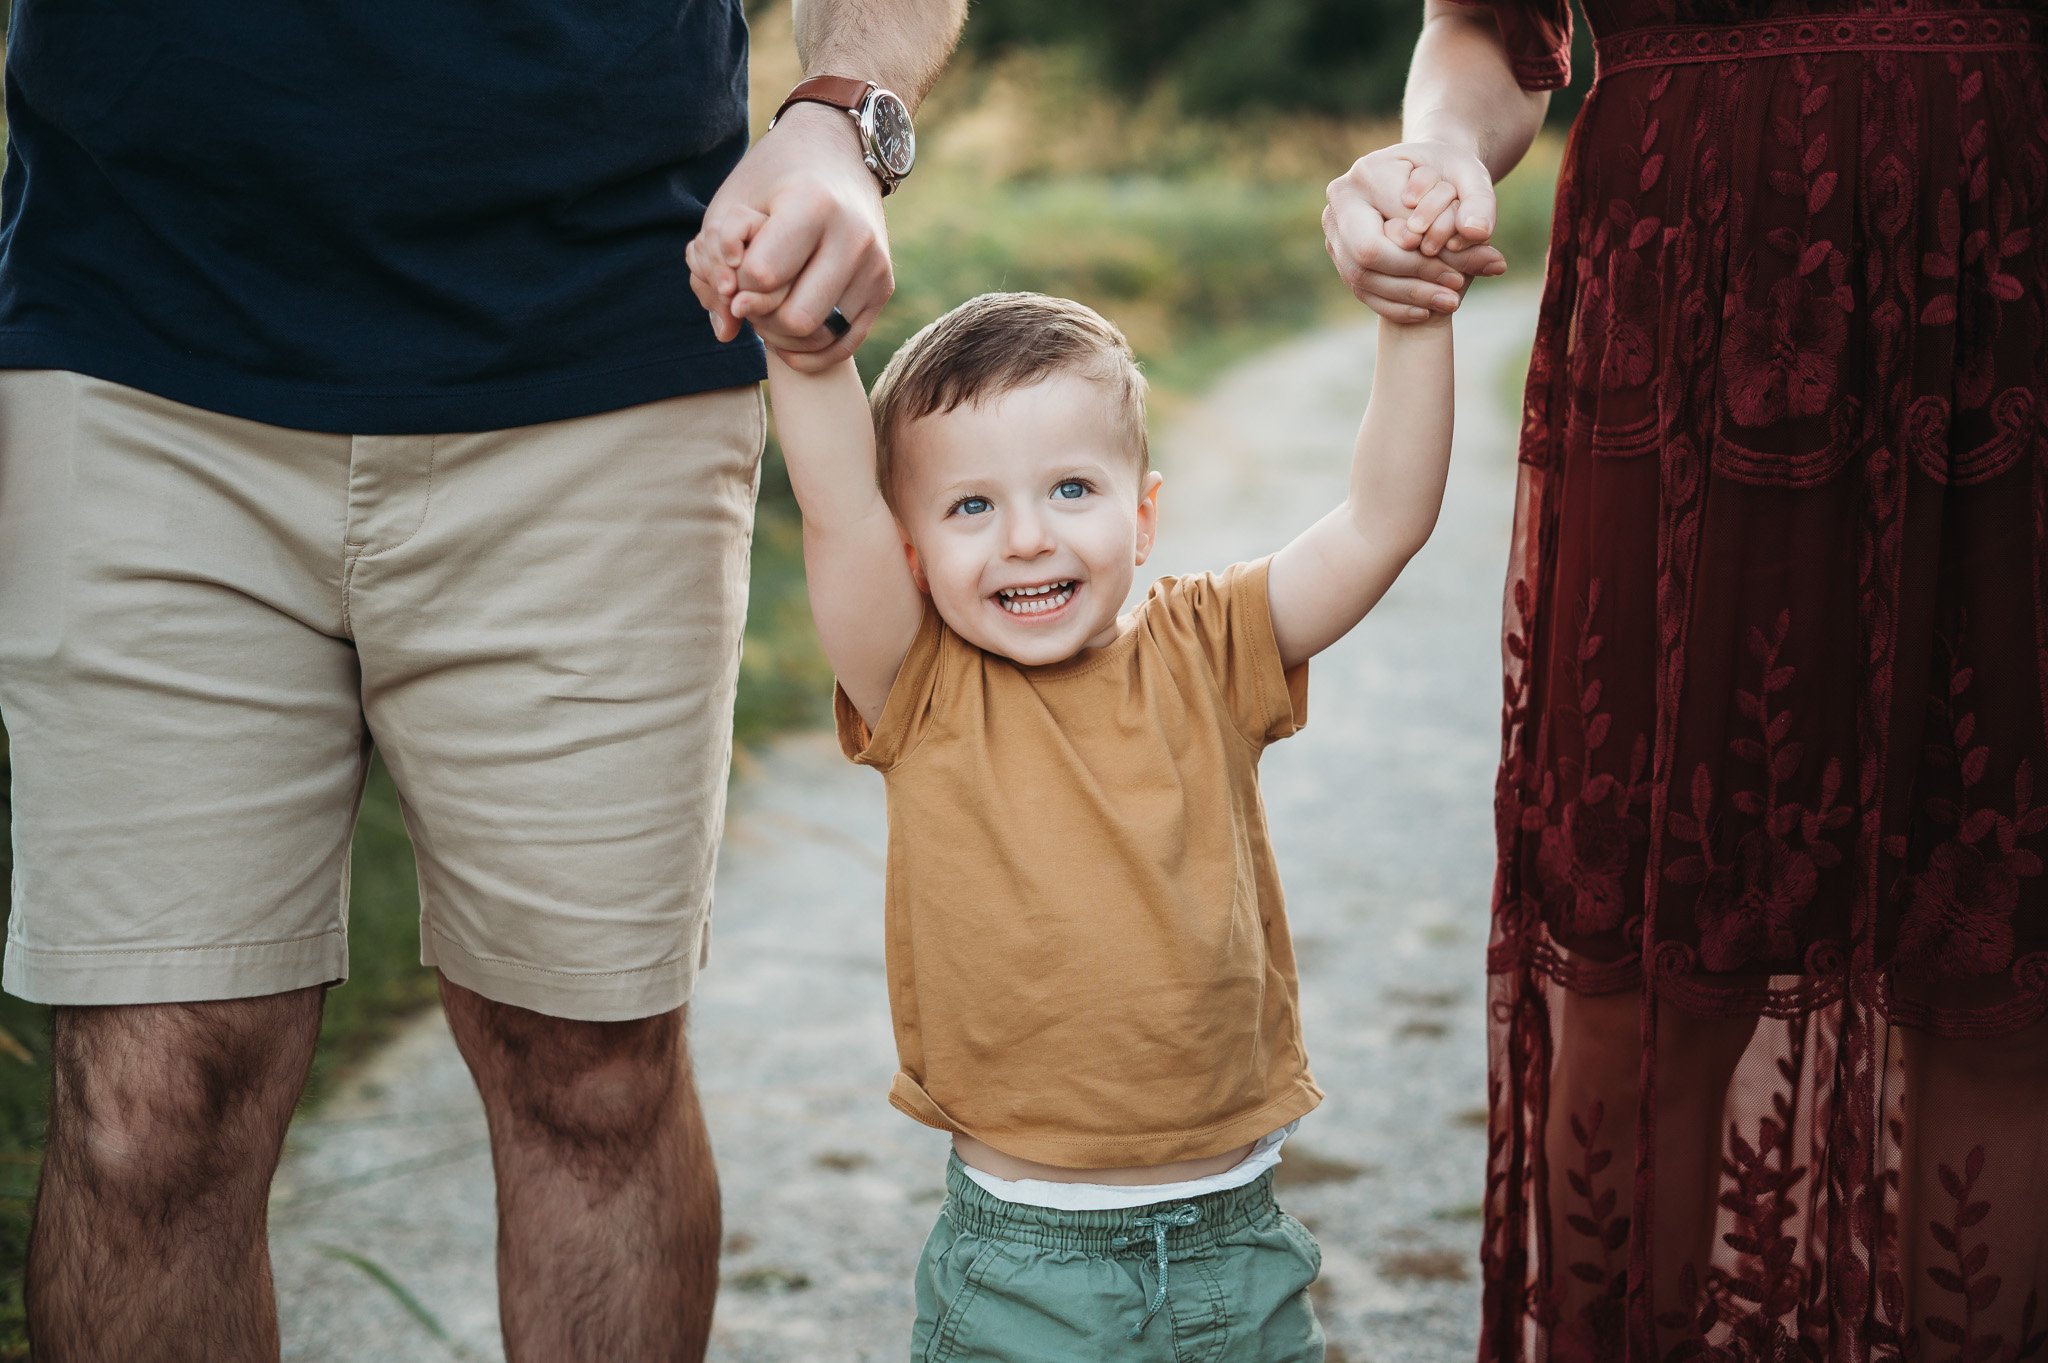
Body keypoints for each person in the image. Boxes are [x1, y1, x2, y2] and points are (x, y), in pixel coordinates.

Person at [0, 2, 962, 1359]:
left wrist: (842, 114)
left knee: (594, 1073)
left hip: (609, 343)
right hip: (131, 343)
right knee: (149, 1103)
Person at [1324, 2, 2048, 1358]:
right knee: (1642, 959)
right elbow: (1491, 30)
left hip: (2012, 304)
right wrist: (1436, 154)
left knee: (2000, 952)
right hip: (1692, 309)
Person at [689, 249, 1455, 1355]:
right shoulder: (921, 686)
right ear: (911, 558)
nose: (1028, 536)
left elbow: (1382, 522)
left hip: (1232, 1250)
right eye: (970, 505)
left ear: (1140, 518)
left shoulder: (1209, 647)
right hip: (1023, 1265)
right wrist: (809, 360)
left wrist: (1412, 318)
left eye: (1070, 489)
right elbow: (836, 509)